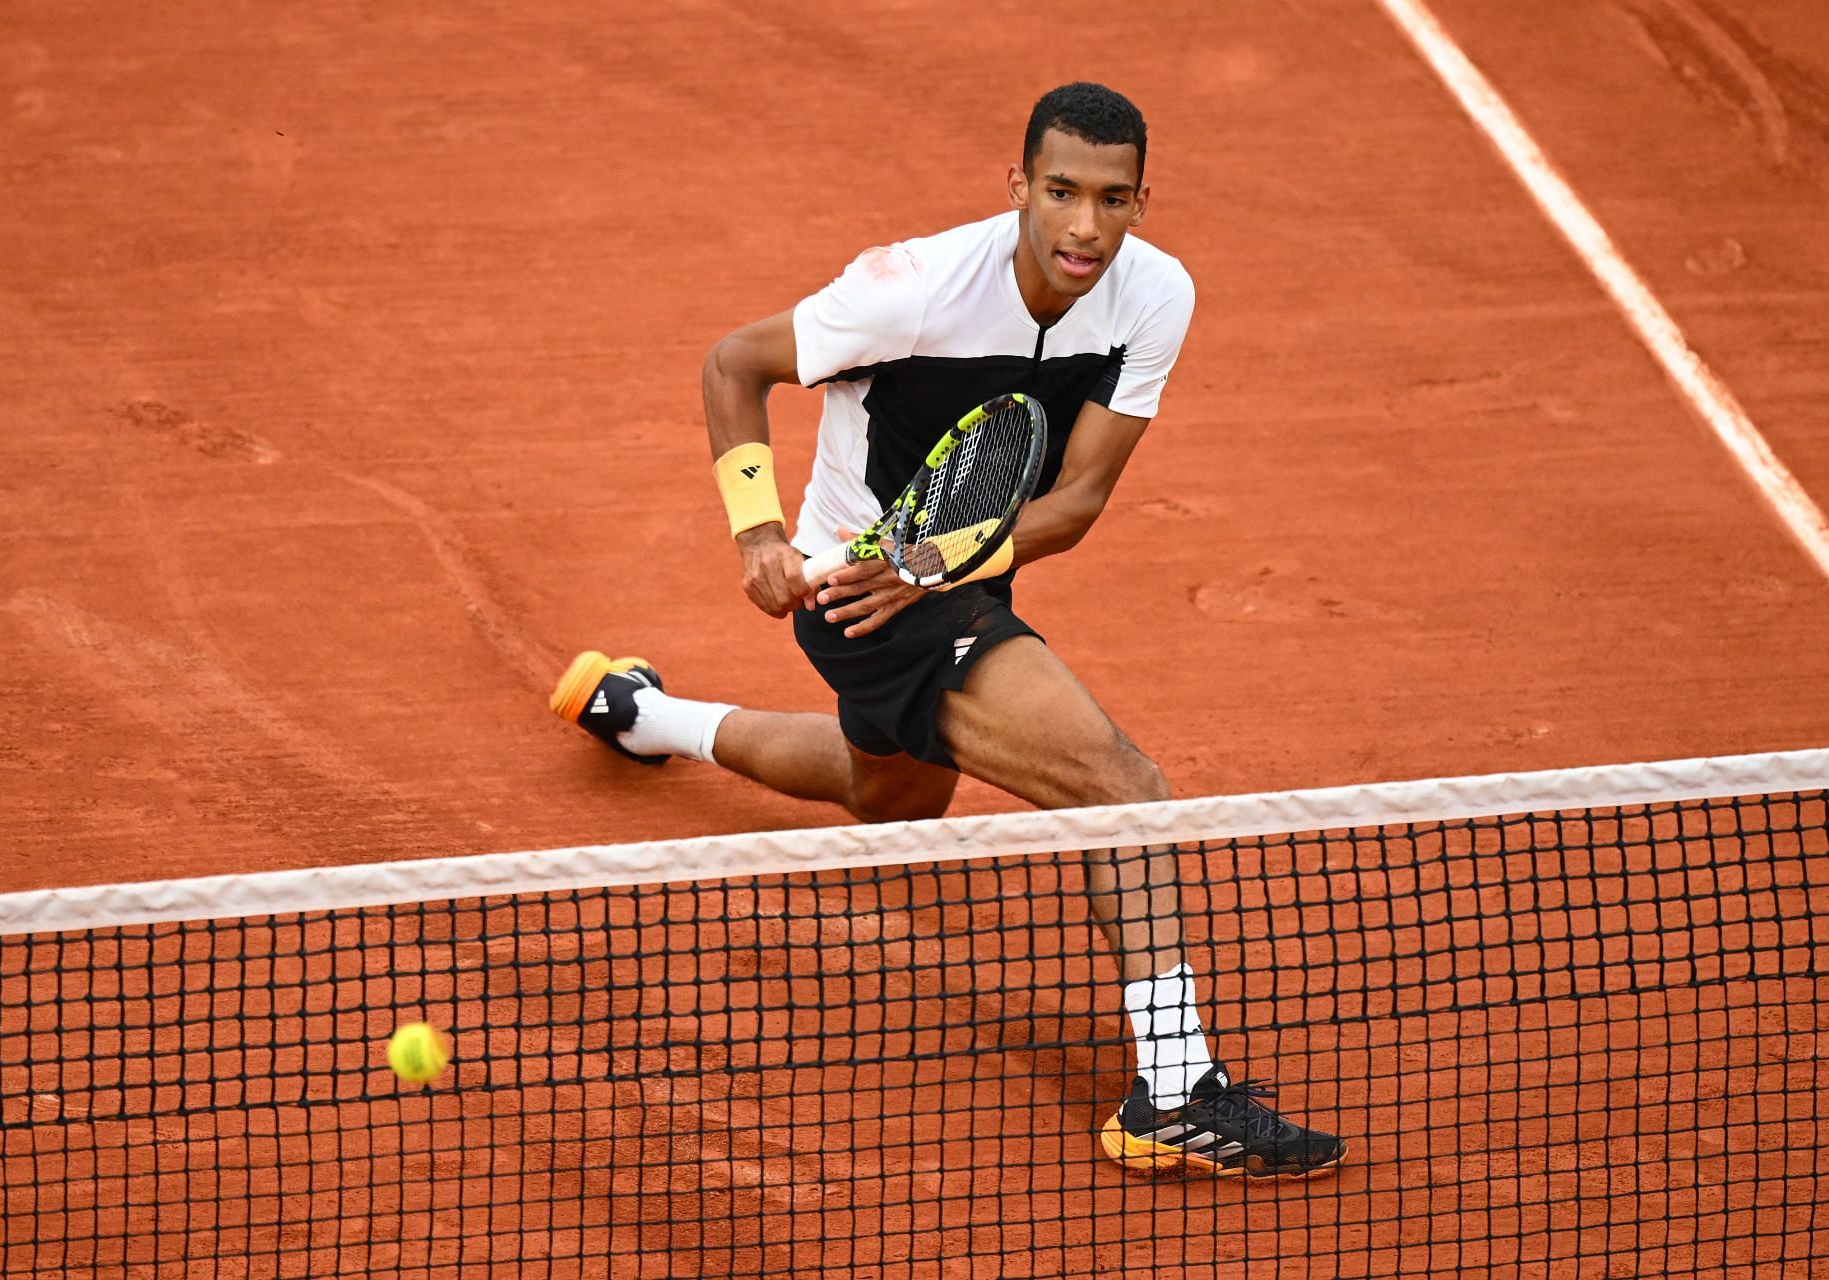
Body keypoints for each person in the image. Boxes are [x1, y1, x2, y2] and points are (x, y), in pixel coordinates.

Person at [551, 82, 1344, 1178]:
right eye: (1060, 191)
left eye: (1113, 200)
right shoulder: (911, 291)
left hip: (946, 568)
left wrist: (927, 561)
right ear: (1017, 185)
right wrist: (758, 535)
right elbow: (734, 364)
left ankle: (646, 713)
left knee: (891, 793)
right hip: (858, 590)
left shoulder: (1156, 296)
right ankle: (1175, 1087)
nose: (1084, 227)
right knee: (1122, 786)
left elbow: (1071, 505)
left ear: (1142, 202)